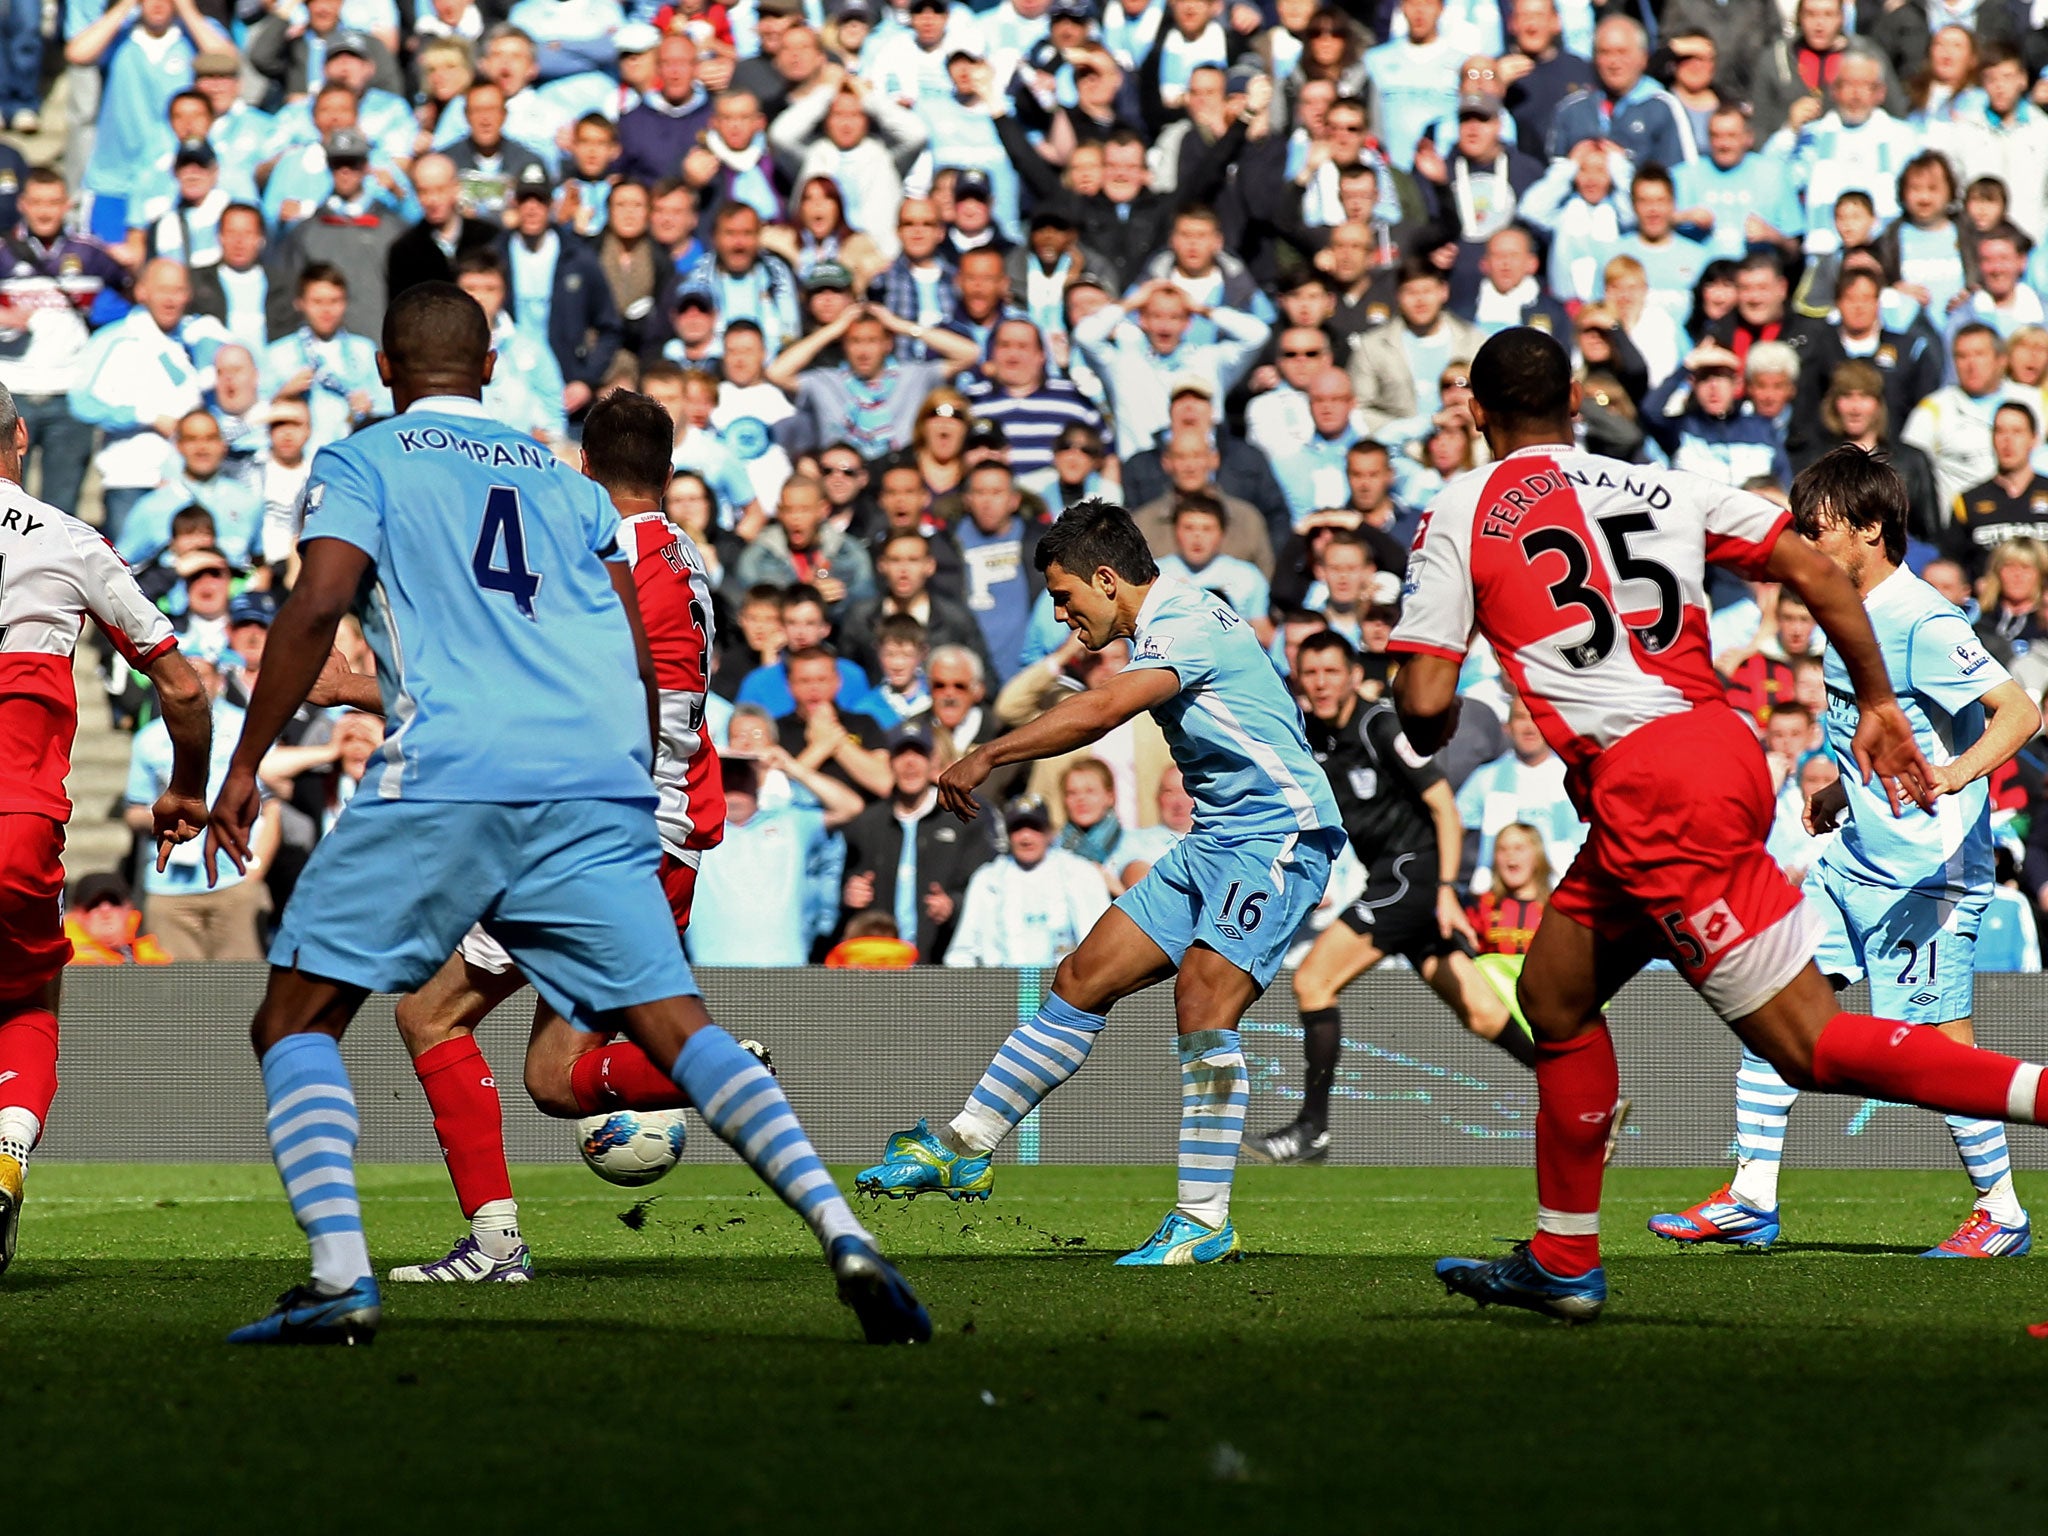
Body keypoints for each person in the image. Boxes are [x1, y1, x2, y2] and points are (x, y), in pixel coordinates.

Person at [199, 283, 926, 1345]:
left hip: (451, 768)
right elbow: (629, 656)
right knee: (676, 1028)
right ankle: (844, 1233)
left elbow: (315, 605)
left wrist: (243, 764)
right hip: (595, 783)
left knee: (296, 1019)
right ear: (491, 369)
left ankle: (341, 1277)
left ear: (392, 374)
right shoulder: (565, 482)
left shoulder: (363, 458)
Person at [1393, 327, 2048, 1324]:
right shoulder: (1665, 486)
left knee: (1808, 1046)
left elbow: (1425, 698)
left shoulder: (1459, 508)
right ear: (1576, 401)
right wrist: (1873, 698)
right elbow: (1821, 576)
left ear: (1473, 411)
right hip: (1707, 753)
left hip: (1651, 788)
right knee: (1552, 993)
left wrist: (1438, 697)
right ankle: (1562, 1254)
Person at [856, 499, 1346, 1265]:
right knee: (1081, 977)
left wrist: (988, 752)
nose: (1060, 616)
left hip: (1279, 835)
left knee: (1204, 998)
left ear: (1108, 579)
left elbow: (1104, 709)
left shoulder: (1183, 622)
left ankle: (1204, 1220)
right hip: (1217, 838)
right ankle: (966, 1143)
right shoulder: (1172, 620)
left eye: (1065, 596)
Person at [322, 391, 729, 1283]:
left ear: (586, 469)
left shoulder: (598, 558)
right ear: (668, 471)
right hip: (670, 835)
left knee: (427, 1012)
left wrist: (355, 689)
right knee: (554, 1076)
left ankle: (497, 1245)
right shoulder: (689, 560)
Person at [1651, 445, 2041, 1259]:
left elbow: (2020, 713)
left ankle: (2001, 1211)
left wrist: (1950, 773)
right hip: (1854, 862)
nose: (1803, 542)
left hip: (1926, 879)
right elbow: (1879, 722)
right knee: (1773, 1009)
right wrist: (1841, 790)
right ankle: (1752, 1195)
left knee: (1933, 1055)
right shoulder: (1842, 608)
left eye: (1817, 529)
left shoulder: (1921, 617)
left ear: (1870, 529)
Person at [0, 381, 211, 1269]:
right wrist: (186, 790)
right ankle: (6, 1156)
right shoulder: (65, 538)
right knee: (27, 997)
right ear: (18, 435)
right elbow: (184, 687)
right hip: (17, 826)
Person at [1243, 630, 1536, 1166]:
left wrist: (1446, 891)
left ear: (1355, 675)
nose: (1322, 683)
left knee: (1313, 980)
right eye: (1312, 674)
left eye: (1332, 671)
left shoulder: (1380, 724)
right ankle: (1581, 1101)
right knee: (1480, 1010)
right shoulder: (1314, 738)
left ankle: (1312, 1129)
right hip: (1397, 883)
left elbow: (1445, 808)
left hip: (1413, 878)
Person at [838, 724, 996, 961]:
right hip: (882, 963)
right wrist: (849, 894)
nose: (910, 763)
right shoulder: (868, 824)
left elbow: (986, 886)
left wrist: (953, 905)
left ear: (933, 762)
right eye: (901, 754)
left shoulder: (963, 818)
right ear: (890, 762)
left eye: (919, 754)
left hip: (942, 961)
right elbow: (845, 881)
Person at [62, 873, 173, 966]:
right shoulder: (68, 960)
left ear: (128, 908)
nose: (105, 910)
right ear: (77, 914)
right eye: (94, 905)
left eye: (114, 902)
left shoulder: (149, 954)